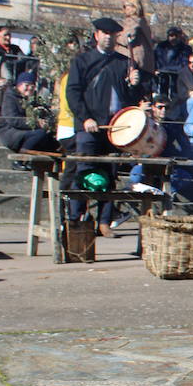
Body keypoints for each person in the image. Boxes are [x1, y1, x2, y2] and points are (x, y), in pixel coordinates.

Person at [65, 16, 143, 236]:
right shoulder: (82, 61)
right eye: (105, 33)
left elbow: (131, 97)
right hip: (89, 127)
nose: (109, 38)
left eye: (112, 34)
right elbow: (73, 93)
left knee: (110, 175)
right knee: (84, 173)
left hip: (114, 128)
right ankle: (76, 218)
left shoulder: (123, 62)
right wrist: (85, 119)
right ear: (97, 35)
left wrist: (135, 84)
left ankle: (104, 221)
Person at [0, 72, 59, 154]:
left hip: (26, 130)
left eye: (32, 86)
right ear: (19, 85)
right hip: (11, 131)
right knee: (40, 134)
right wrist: (37, 123)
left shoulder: (33, 99)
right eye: (26, 85)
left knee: (51, 137)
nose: (30, 88)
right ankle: (21, 159)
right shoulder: (10, 98)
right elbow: (13, 120)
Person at [115, 0, 155, 73]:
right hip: (145, 62)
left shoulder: (133, 21)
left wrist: (115, 36)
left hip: (132, 61)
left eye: (126, 6)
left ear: (135, 7)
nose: (124, 8)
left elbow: (126, 40)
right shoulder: (144, 23)